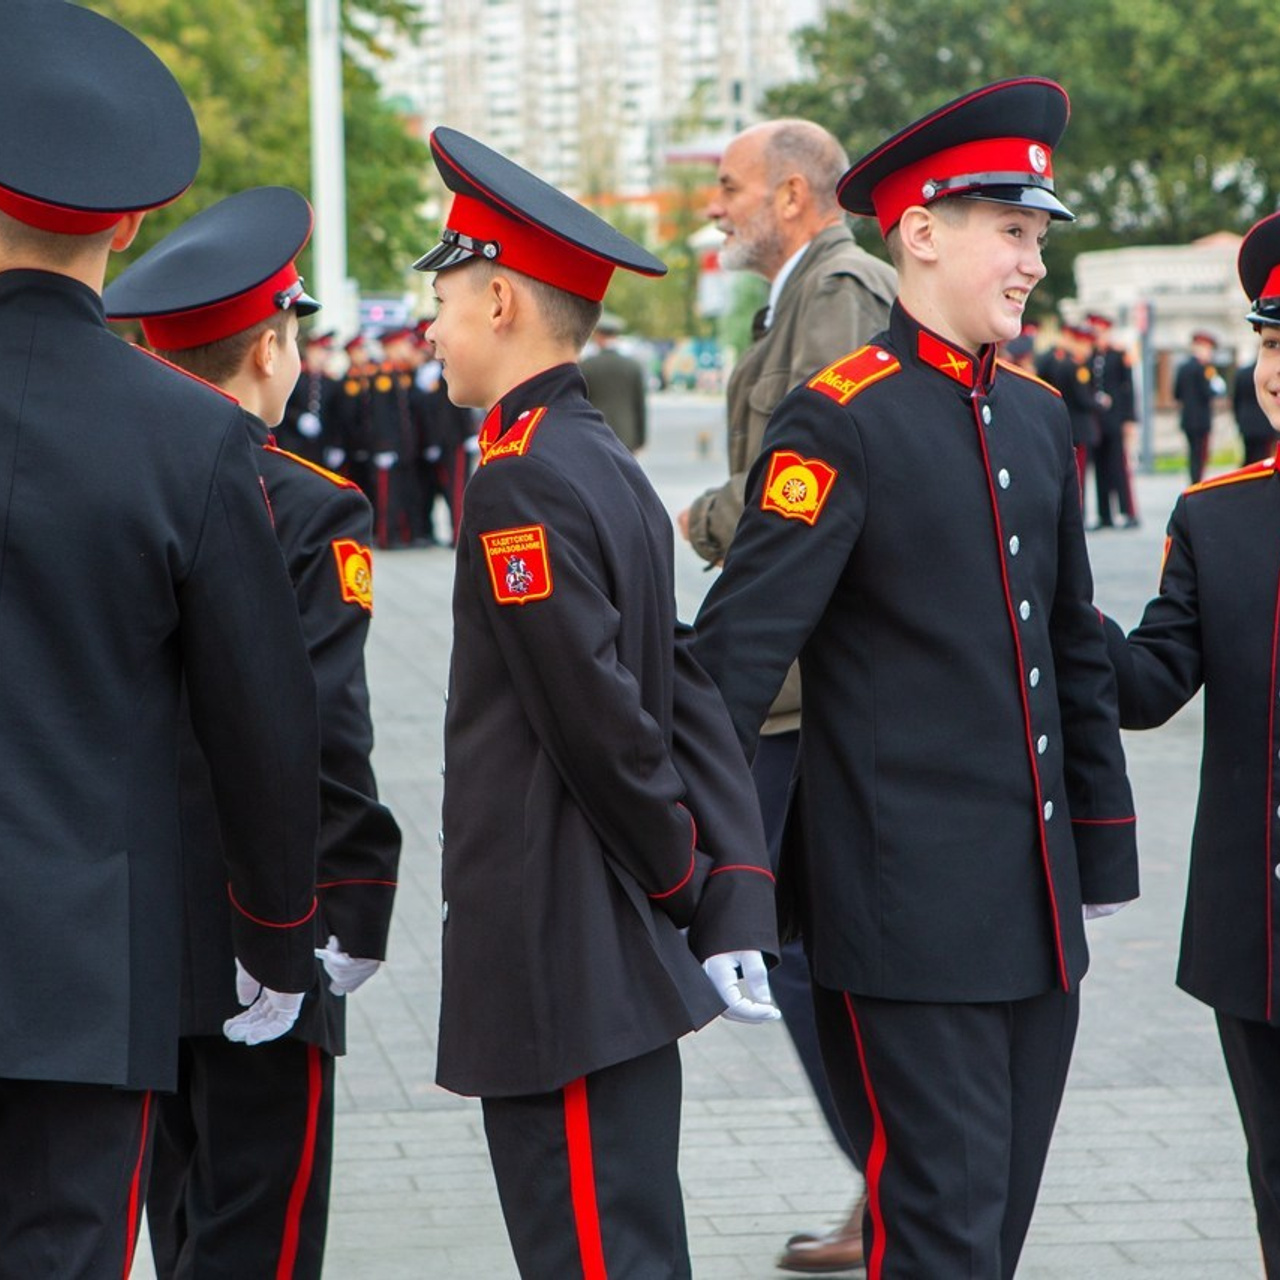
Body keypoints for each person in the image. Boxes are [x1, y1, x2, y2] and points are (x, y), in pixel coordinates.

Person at [692, 78, 1139, 1279]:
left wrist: (1097, 849)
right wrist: (723, 880)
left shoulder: (1037, 417)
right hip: (898, 918)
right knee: (940, 1233)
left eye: (1037, 235)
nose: (1032, 262)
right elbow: (731, 663)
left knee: (991, 1229)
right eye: (1011, 231)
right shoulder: (838, 420)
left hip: (1032, 912)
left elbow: (1069, 647)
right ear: (921, 232)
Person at [416, 126, 781, 1278]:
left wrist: (683, 878)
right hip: (596, 951)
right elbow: (679, 685)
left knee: (591, 1248)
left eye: (442, 299)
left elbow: (602, 720)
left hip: (560, 945)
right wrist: (725, 880)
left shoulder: (520, 476)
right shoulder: (597, 457)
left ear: (501, 301)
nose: (430, 327)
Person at [0, 5, 321, 1273]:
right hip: (88, 980)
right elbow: (262, 719)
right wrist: (275, 927)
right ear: (129, 226)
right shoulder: (191, 436)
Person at [104, 186, 402, 1279]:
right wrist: (356, 891)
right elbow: (318, 724)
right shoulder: (309, 504)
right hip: (262, 916)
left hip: (124, 923)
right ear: (272, 348)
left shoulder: (106, 480)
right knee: (259, 1230)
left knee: (177, 1211)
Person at [676, 115, 896, 1275]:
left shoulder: (840, 288)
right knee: (794, 941)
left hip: (815, 683)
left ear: (796, 195)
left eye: (729, 185)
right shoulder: (797, 294)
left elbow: (826, 461)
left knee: (793, 937)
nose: (715, 205)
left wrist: (708, 515)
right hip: (789, 682)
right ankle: (886, 1181)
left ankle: (895, 1182)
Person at [1103, 211, 1280, 1277]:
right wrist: (1047, 598)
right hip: (1257, 933)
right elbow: (1146, 686)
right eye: (1268, 341)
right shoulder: (1216, 518)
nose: (1277, 368)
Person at [1088, 313, 1140, 527]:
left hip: (1116, 419)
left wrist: (1129, 419)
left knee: (1119, 467)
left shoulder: (1119, 355)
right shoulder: (1090, 357)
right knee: (1100, 468)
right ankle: (1105, 515)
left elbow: (1128, 389)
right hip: (1097, 421)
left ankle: (1128, 513)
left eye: (1101, 332)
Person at [581, 312, 649, 452]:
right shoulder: (633, 366)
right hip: (626, 436)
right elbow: (639, 404)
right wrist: (641, 439)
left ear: (598, 336)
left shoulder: (586, 366)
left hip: (594, 434)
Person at [279, 328, 339, 464]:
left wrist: (336, 444)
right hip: (292, 442)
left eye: (327, 352)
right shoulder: (295, 375)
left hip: (319, 446)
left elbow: (335, 415)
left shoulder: (330, 381)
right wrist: (298, 418)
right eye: (321, 351)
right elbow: (282, 404)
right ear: (309, 350)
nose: (325, 356)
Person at [1174, 330, 1227, 484]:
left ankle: (1193, 481)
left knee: (1192, 453)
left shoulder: (1183, 368)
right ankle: (1197, 483)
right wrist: (1216, 389)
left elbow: (1176, 393)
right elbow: (1207, 392)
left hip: (1187, 419)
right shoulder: (1203, 369)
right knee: (1200, 454)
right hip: (1201, 419)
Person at [1234, 354, 1278, 464]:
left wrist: (1238, 419)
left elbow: (1236, 399)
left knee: (1248, 455)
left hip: (1246, 423)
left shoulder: (1242, 373)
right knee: (1263, 457)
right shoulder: (1270, 376)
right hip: (1264, 424)